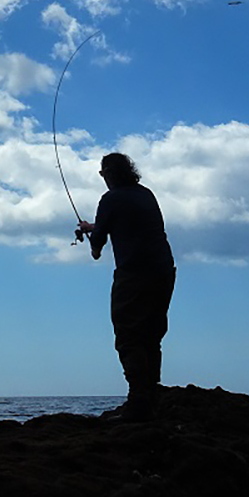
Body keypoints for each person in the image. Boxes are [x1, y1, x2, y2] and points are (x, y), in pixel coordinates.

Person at [76, 152, 176, 422]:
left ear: (109, 172)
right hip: (164, 271)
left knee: (129, 335)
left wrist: (94, 246)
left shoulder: (110, 199)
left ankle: (138, 402)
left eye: (102, 173)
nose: (103, 178)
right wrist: (92, 227)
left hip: (133, 274)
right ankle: (149, 396)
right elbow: (124, 223)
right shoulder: (145, 194)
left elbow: (98, 243)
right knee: (151, 334)